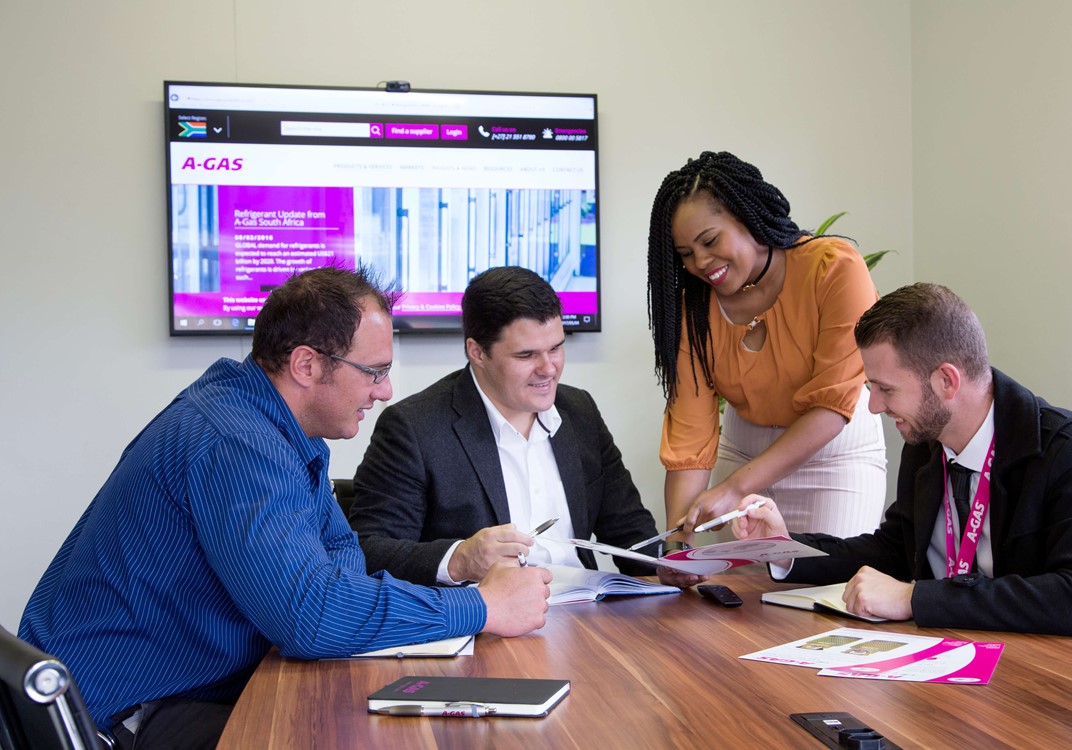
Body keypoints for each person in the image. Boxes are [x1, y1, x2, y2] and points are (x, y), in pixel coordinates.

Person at [19, 267, 553, 749]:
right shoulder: (234, 439)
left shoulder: (280, 431)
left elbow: (339, 572)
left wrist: (364, 609)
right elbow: (313, 615)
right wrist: (481, 606)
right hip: (124, 716)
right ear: (306, 365)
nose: (385, 391)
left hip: (180, 689)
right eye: (374, 371)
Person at [732, 282, 1072, 672]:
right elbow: (894, 548)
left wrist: (918, 599)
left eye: (885, 389)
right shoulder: (925, 444)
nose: (873, 406)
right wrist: (784, 548)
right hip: (987, 663)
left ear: (946, 381)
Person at [351, 265, 702, 588]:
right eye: (526, 355)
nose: (548, 368)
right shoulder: (414, 427)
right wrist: (459, 559)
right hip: (483, 625)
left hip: (587, 616)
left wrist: (669, 563)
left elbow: (630, 533)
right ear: (477, 352)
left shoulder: (579, 411)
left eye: (556, 348)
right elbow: (369, 550)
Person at [646, 150, 887, 545]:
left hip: (834, 453)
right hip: (743, 450)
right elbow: (690, 435)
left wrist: (734, 488)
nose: (701, 263)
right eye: (686, 254)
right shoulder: (694, 310)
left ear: (748, 215)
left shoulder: (833, 268)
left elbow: (831, 407)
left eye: (709, 241)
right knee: (740, 601)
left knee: (826, 595)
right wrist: (678, 541)